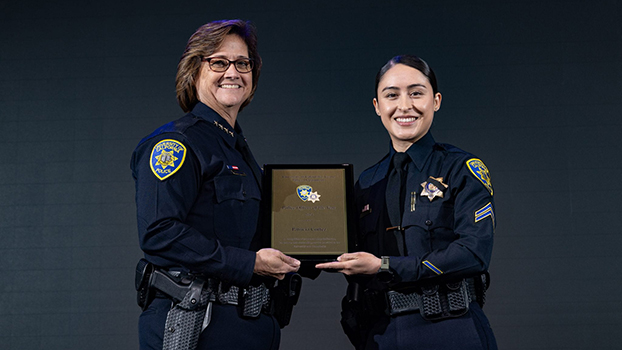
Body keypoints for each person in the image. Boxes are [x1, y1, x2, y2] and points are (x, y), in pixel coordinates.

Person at [131, 20, 301, 350]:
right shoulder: (175, 143)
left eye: (243, 63)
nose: (233, 72)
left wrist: (316, 249)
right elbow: (159, 231)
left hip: (247, 323)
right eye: (219, 62)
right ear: (194, 71)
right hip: (195, 325)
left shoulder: (236, 148)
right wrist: (249, 264)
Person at [317, 55, 498, 350]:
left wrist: (385, 266)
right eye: (391, 95)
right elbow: (336, 247)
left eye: (416, 93)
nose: (404, 106)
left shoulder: (462, 168)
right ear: (377, 106)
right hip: (381, 333)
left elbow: (473, 253)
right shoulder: (366, 182)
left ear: (436, 100)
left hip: (451, 329)